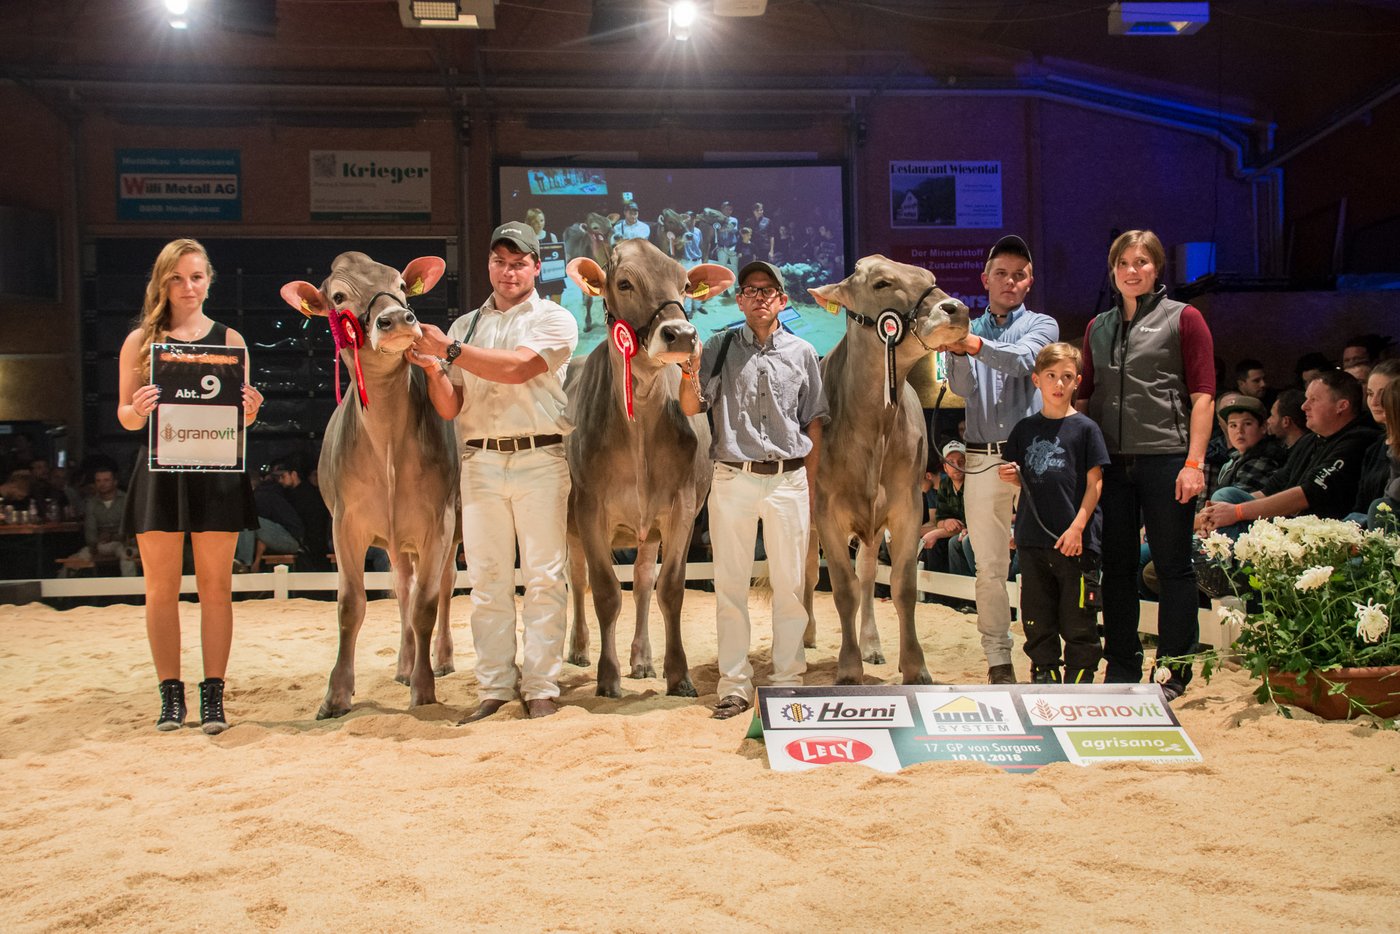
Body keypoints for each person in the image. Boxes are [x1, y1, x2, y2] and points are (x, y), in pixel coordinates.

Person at [411, 222, 578, 721]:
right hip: (480, 459)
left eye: (520, 262)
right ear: (489, 264)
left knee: (545, 577)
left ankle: (543, 685)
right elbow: (450, 407)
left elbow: (518, 368)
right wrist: (434, 372)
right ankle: (496, 687)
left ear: (535, 266)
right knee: (485, 580)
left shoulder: (556, 318)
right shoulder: (463, 326)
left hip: (540, 458)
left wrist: (450, 353)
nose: (509, 271)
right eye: (500, 261)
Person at [117, 238, 262, 733]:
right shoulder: (140, 342)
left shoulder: (230, 340)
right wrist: (136, 409)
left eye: (196, 277)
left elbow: (239, 421)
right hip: (159, 471)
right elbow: (125, 418)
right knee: (160, 591)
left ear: (209, 281)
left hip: (217, 470)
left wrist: (250, 411)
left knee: (215, 589)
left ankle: (213, 697)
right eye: (177, 278)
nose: (187, 287)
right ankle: (170, 697)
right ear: (162, 283)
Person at [678, 261, 827, 720]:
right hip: (733, 477)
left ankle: (787, 681)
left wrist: (811, 485)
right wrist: (688, 372)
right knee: (730, 587)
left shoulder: (804, 352)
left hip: (788, 478)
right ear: (738, 299)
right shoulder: (719, 347)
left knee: (791, 585)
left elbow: (814, 421)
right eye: (751, 290)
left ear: (783, 300)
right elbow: (690, 406)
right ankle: (734, 684)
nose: (760, 297)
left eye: (769, 290)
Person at [1078, 229, 1215, 701]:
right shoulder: (1098, 327)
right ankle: (1121, 665)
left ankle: (1174, 669)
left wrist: (1194, 462)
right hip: (1112, 463)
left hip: (1168, 459)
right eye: (1123, 263)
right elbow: (1083, 394)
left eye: (1141, 262)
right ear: (1112, 270)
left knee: (1173, 567)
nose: (1131, 271)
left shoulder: (1185, 319)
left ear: (1157, 269)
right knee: (1115, 569)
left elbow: (1203, 397)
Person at [940, 235, 1058, 684]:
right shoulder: (968, 327)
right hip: (981, 458)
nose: (1010, 281)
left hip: (1033, 459)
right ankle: (998, 660)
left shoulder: (1041, 325)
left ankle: (1043, 657)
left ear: (1030, 282)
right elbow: (964, 391)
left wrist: (968, 343)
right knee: (989, 567)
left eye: (1019, 274)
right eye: (1002, 273)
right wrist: (954, 351)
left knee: (1037, 563)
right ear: (985, 279)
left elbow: (1023, 361)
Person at [999, 343, 1109, 685]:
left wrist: (1078, 529)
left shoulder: (1086, 429)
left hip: (1075, 542)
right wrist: (1012, 476)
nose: (1058, 384)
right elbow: (1021, 478)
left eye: (1066, 377)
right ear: (1037, 380)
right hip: (1033, 540)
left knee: (1079, 619)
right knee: (1036, 617)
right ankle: (1043, 677)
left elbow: (1095, 484)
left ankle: (1079, 682)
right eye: (1050, 376)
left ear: (1077, 381)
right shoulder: (1024, 429)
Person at [1198, 370, 1378, 535]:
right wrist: (1213, 513)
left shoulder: (1359, 439)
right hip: (1290, 522)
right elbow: (1272, 489)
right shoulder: (1310, 439)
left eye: (1313, 400)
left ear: (1342, 406)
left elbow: (1305, 495)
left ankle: (1231, 569)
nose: (1304, 406)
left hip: (1323, 529)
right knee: (1226, 497)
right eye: (1233, 425)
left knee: (1228, 502)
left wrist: (1235, 512)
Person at [62, 466, 136, 576]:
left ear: (115, 482)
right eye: (98, 481)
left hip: (125, 544)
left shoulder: (127, 500)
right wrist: (95, 543)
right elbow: (90, 532)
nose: (102, 484)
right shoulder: (91, 503)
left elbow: (131, 529)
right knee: (72, 561)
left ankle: (131, 591)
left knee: (126, 555)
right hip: (101, 545)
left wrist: (113, 537)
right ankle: (60, 591)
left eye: (106, 480)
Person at [235, 470, 304, 570]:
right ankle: (244, 561)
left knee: (248, 520)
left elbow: (262, 535)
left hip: (291, 540)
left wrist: (256, 562)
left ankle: (243, 562)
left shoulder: (260, 498)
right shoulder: (265, 494)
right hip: (287, 537)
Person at [273, 459, 332, 569]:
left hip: (311, 544)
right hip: (313, 543)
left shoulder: (305, 495)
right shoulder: (300, 493)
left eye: (283, 476)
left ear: (294, 474)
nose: (280, 480)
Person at [713, 201, 740, 274]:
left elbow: (734, 230)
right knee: (721, 268)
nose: (729, 211)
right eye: (727, 208)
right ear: (722, 209)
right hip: (721, 247)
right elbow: (715, 231)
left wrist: (726, 227)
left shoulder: (734, 219)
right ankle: (722, 284)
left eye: (730, 209)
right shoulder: (717, 220)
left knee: (734, 267)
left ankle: (736, 285)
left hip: (733, 248)